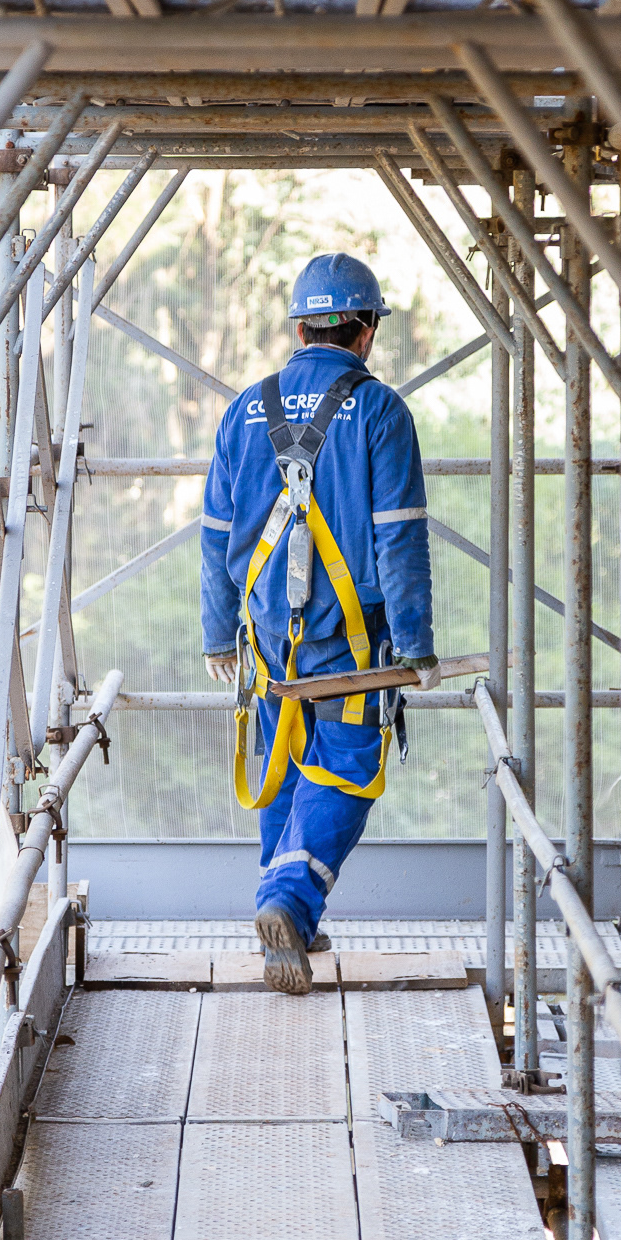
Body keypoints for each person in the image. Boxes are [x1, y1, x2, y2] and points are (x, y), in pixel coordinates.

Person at [201, 252, 439, 995]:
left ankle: (288, 923)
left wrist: (217, 634)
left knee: (281, 765)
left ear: (300, 326)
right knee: (343, 770)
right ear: (365, 332)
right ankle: (289, 901)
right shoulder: (379, 410)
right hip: (351, 645)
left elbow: (214, 536)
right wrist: (418, 645)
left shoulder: (244, 408)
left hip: (267, 640)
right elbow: (398, 535)